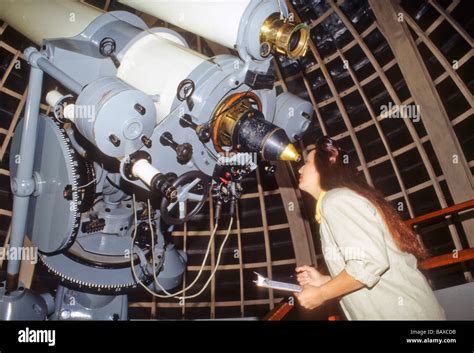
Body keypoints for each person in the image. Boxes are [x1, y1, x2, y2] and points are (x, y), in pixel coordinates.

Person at [294, 136, 446, 320]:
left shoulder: (337, 200)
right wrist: (325, 281)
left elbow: (369, 262)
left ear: (330, 160)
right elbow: (369, 266)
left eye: (307, 163)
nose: (300, 168)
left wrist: (322, 294)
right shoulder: (339, 200)